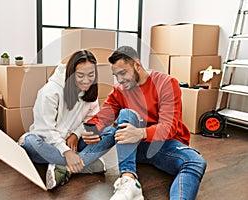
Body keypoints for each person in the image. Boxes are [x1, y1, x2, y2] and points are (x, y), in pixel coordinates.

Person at [82, 46, 207, 200]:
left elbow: (169, 127)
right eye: (116, 75)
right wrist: (90, 129)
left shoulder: (166, 83)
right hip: (135, 148)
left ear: (137, 64)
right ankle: (129, 180)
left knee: (196, 162)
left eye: (122, 73)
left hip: (164, 145)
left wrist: (141, 133)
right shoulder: (119, 91)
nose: (120, 80)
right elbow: (103, 116)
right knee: (126, 114)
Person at [18, 49, 115, 190]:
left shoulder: (90, 92)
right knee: (30, 141)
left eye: (91, 75)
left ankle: (65, 169)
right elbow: (45, 130)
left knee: (110, 132)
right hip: (48, 144)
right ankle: (85, 164)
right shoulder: (51, 91)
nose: (86, 80)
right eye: (80, 75)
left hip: (72, 144)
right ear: (71, 73)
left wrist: (76, 134)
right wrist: (66, 152)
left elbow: (92, 121)